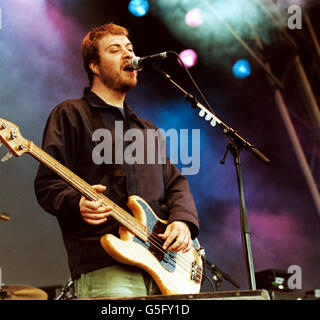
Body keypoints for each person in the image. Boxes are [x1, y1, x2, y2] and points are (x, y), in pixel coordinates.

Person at [34, 23, 199, 299]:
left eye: (130, 49)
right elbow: (47, 184)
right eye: (115, 50)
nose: (127, 54)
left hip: (163, 268)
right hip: (106, 265)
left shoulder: (148, 130)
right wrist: (77, 203)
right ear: (94, 66)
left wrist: (182, 221)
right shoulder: (71, 115)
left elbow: (175, 185)